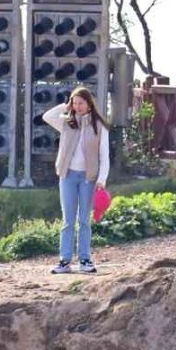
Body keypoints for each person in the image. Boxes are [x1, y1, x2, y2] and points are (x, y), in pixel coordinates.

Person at [42, 86, 110, 274]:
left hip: (89, 178)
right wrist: (64, 107)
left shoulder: (99, 126)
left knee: (84, 220)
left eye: (81, 103)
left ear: (89, 104)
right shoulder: (66, 123)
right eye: (75, 103)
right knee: (68, 221)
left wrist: (101, 180)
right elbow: (47, 116)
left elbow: (105, 156)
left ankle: (85, 260)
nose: (77, 106)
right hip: (68, 176)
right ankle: (64, 261)